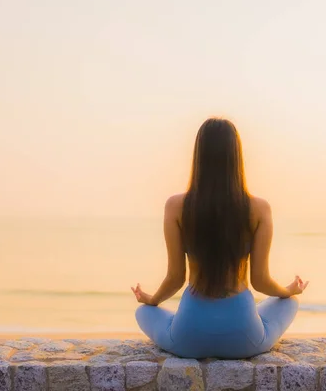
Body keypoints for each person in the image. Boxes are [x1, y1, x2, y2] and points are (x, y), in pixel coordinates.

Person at [131, 117, 308, 359]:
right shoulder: (258, 209)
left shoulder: (176, 207)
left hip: (188, 337)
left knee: (143, 313)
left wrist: (151, 299)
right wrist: (289, 291)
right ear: (236, 156)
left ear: (199, 155)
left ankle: (182, 322)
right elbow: (261, 281)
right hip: (244, 338)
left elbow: (175, 278)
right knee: (289, 303)